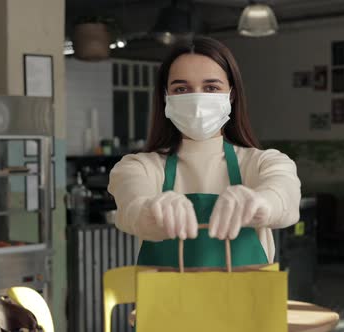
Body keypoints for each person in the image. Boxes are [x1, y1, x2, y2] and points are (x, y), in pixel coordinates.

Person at [107, 36, 301, 269]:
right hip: (165, 305)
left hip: (247, 305)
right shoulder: (138, 167)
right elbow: (132, 209)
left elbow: (285, 198)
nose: (197, 100)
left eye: (211, 87)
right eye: (182, 88)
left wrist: (260, 204)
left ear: (231, 94)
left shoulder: (264, 162)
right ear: (166, 97)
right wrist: (152, 211)